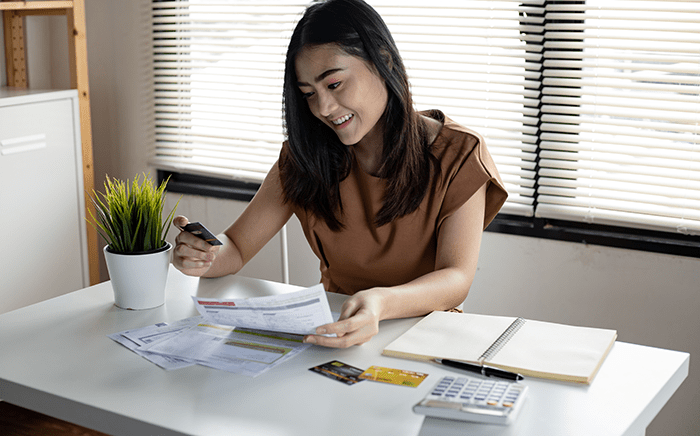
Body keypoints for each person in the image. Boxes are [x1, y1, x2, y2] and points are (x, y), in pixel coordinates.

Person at [172, 0, 508, 348]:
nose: (322, 108)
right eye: (308, 94)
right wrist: (203, 254)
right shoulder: (305, 155)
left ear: (384, 61)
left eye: (333, 84)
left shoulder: (458, 154)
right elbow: (237, 247)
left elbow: (456, 277)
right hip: (335, 333)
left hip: (424, 339)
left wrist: (379, 303)